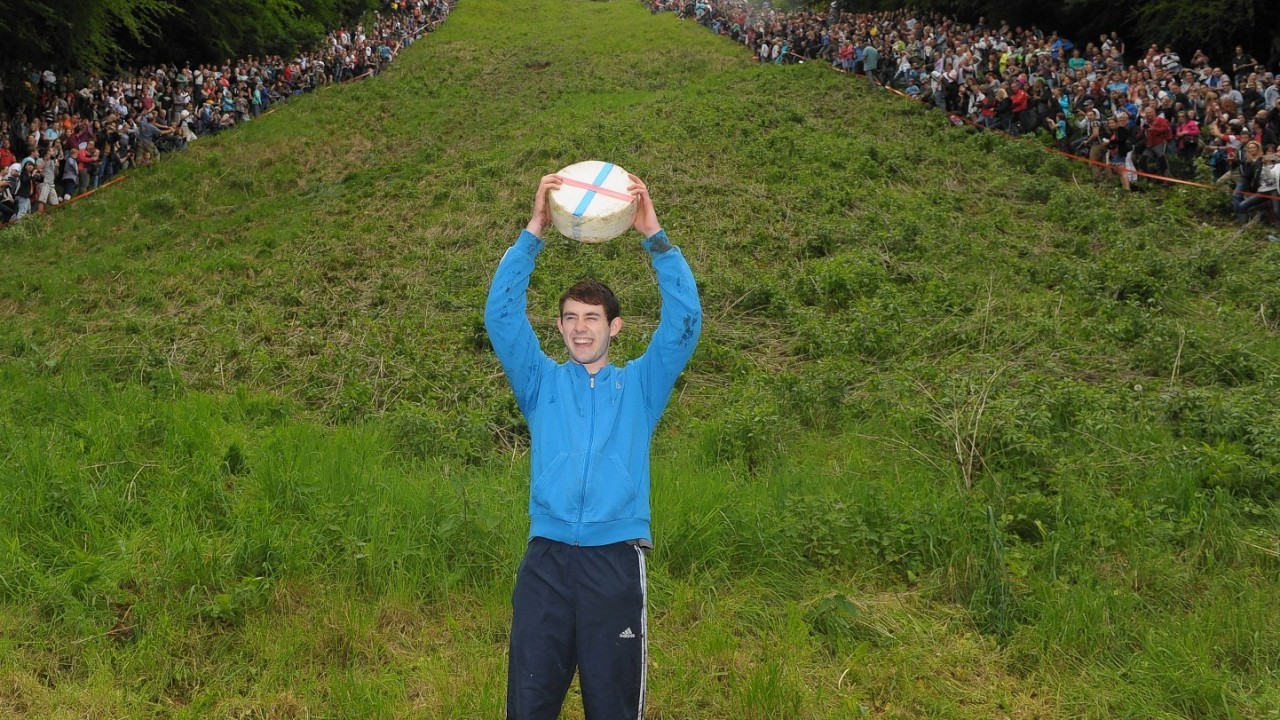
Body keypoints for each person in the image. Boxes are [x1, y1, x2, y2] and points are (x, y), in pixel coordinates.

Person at [485, 173, 702, 720]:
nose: (582, 330)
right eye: (571, 320)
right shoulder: (541, 384)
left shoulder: (641, 387)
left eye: (593, 319)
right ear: (558, 328)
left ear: (616, 326)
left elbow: (685, 323)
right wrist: (534, 230)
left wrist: (655, 237)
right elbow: (502, 318)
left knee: (613, 707)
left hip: (615, 564)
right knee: (528, 706)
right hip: (547, 563)